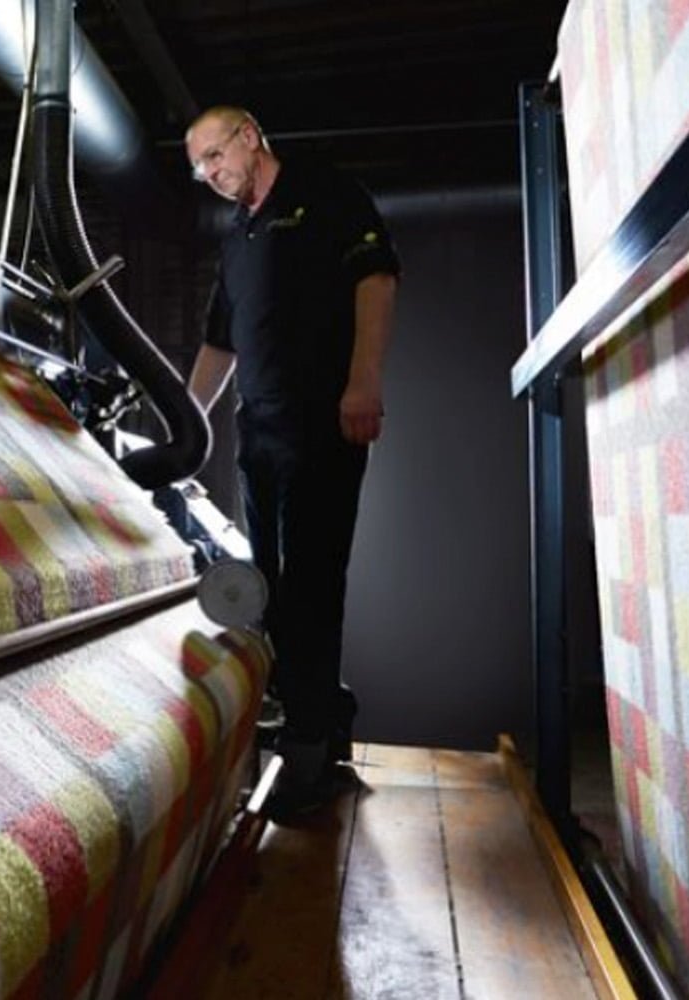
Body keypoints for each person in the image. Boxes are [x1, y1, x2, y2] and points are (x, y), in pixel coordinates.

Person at [184, 106, 399, 814]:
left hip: (321, 422)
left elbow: (375, 276)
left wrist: (363, 381)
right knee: (272, 588)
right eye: (200, 168)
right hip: (260, 431)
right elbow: (222, 342)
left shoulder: (326, 192)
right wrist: (186, 428)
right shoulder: (238, 235)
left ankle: (307, 760)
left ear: (249, 136)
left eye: (215, 156)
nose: (210, 175)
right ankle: (324, 719)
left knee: (312, 583)